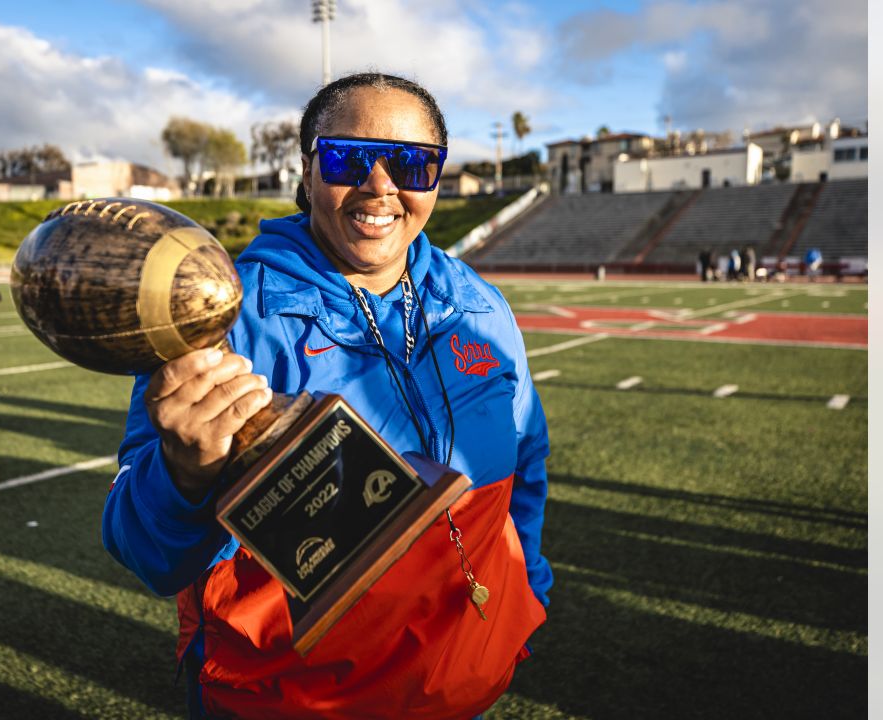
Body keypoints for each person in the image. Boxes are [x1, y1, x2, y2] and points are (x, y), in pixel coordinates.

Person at [103, 73, 552, 719]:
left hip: (459, 689)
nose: (379, 184)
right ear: (309, 169)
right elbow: (146, 553)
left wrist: (525, 598)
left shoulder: (479, 304)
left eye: (410, 163)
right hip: (290, 701)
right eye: (347, 158)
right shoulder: (223, 319)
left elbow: (525, 465)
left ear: (437, 177)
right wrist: (182, 472)